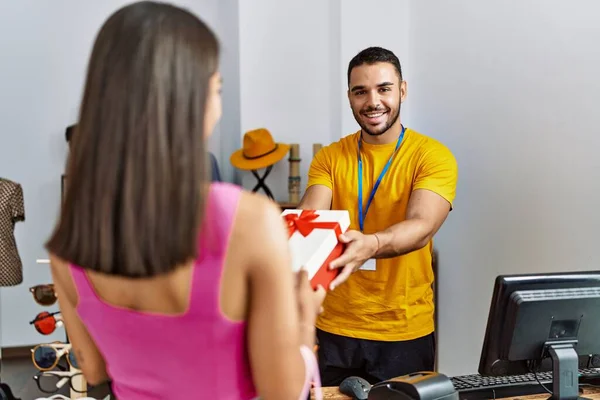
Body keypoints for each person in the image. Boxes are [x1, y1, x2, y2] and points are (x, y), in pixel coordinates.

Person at [44, 2, 324, 399]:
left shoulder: (69, 243)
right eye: (217, 90)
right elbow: (282, 392)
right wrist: (304, 319)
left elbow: (94, 369)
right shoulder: (247, 220)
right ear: (190, 100)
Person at [299, 46, 458, 386]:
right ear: (350, 97)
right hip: (333, 327)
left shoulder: (432, 156)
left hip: (403, 330)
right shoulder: (330, 157)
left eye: (383, 88)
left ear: (402, 90)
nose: (372, 101)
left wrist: (370, 244)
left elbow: (421, 227)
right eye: (361, 91)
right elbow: (311, 220)